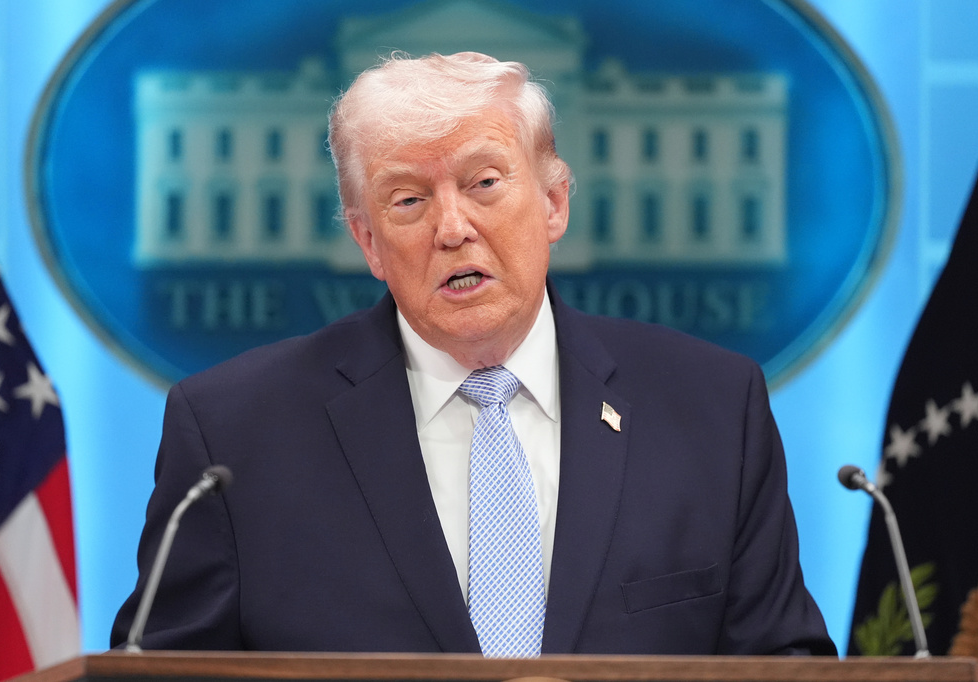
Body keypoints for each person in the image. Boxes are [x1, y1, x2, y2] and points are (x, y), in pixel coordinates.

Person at [111, 51, 835, 656]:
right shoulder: (234, 434)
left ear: (554, 204)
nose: (452, 228)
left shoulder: (712, 408)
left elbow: (783, 665)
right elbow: (160, 672)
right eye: (407, 201)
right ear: (368, 242)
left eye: (484, 183)